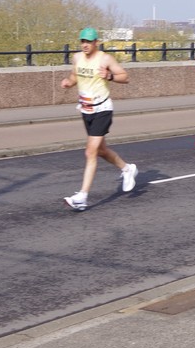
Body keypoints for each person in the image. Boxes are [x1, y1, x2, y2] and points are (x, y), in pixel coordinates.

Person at [59, 28, 137, 211]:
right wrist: (69, 83)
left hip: (102, 109)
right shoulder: (77, 58)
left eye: (89, 41)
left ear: (96, 42)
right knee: (101, 150)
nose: (85, 45)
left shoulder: (105, 59)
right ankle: (127, 169)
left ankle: (82, 196)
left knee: (90, 152)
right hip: (86, 110)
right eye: (82, 41)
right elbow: (74, 76)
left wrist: (109, 76)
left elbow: (125, 77)